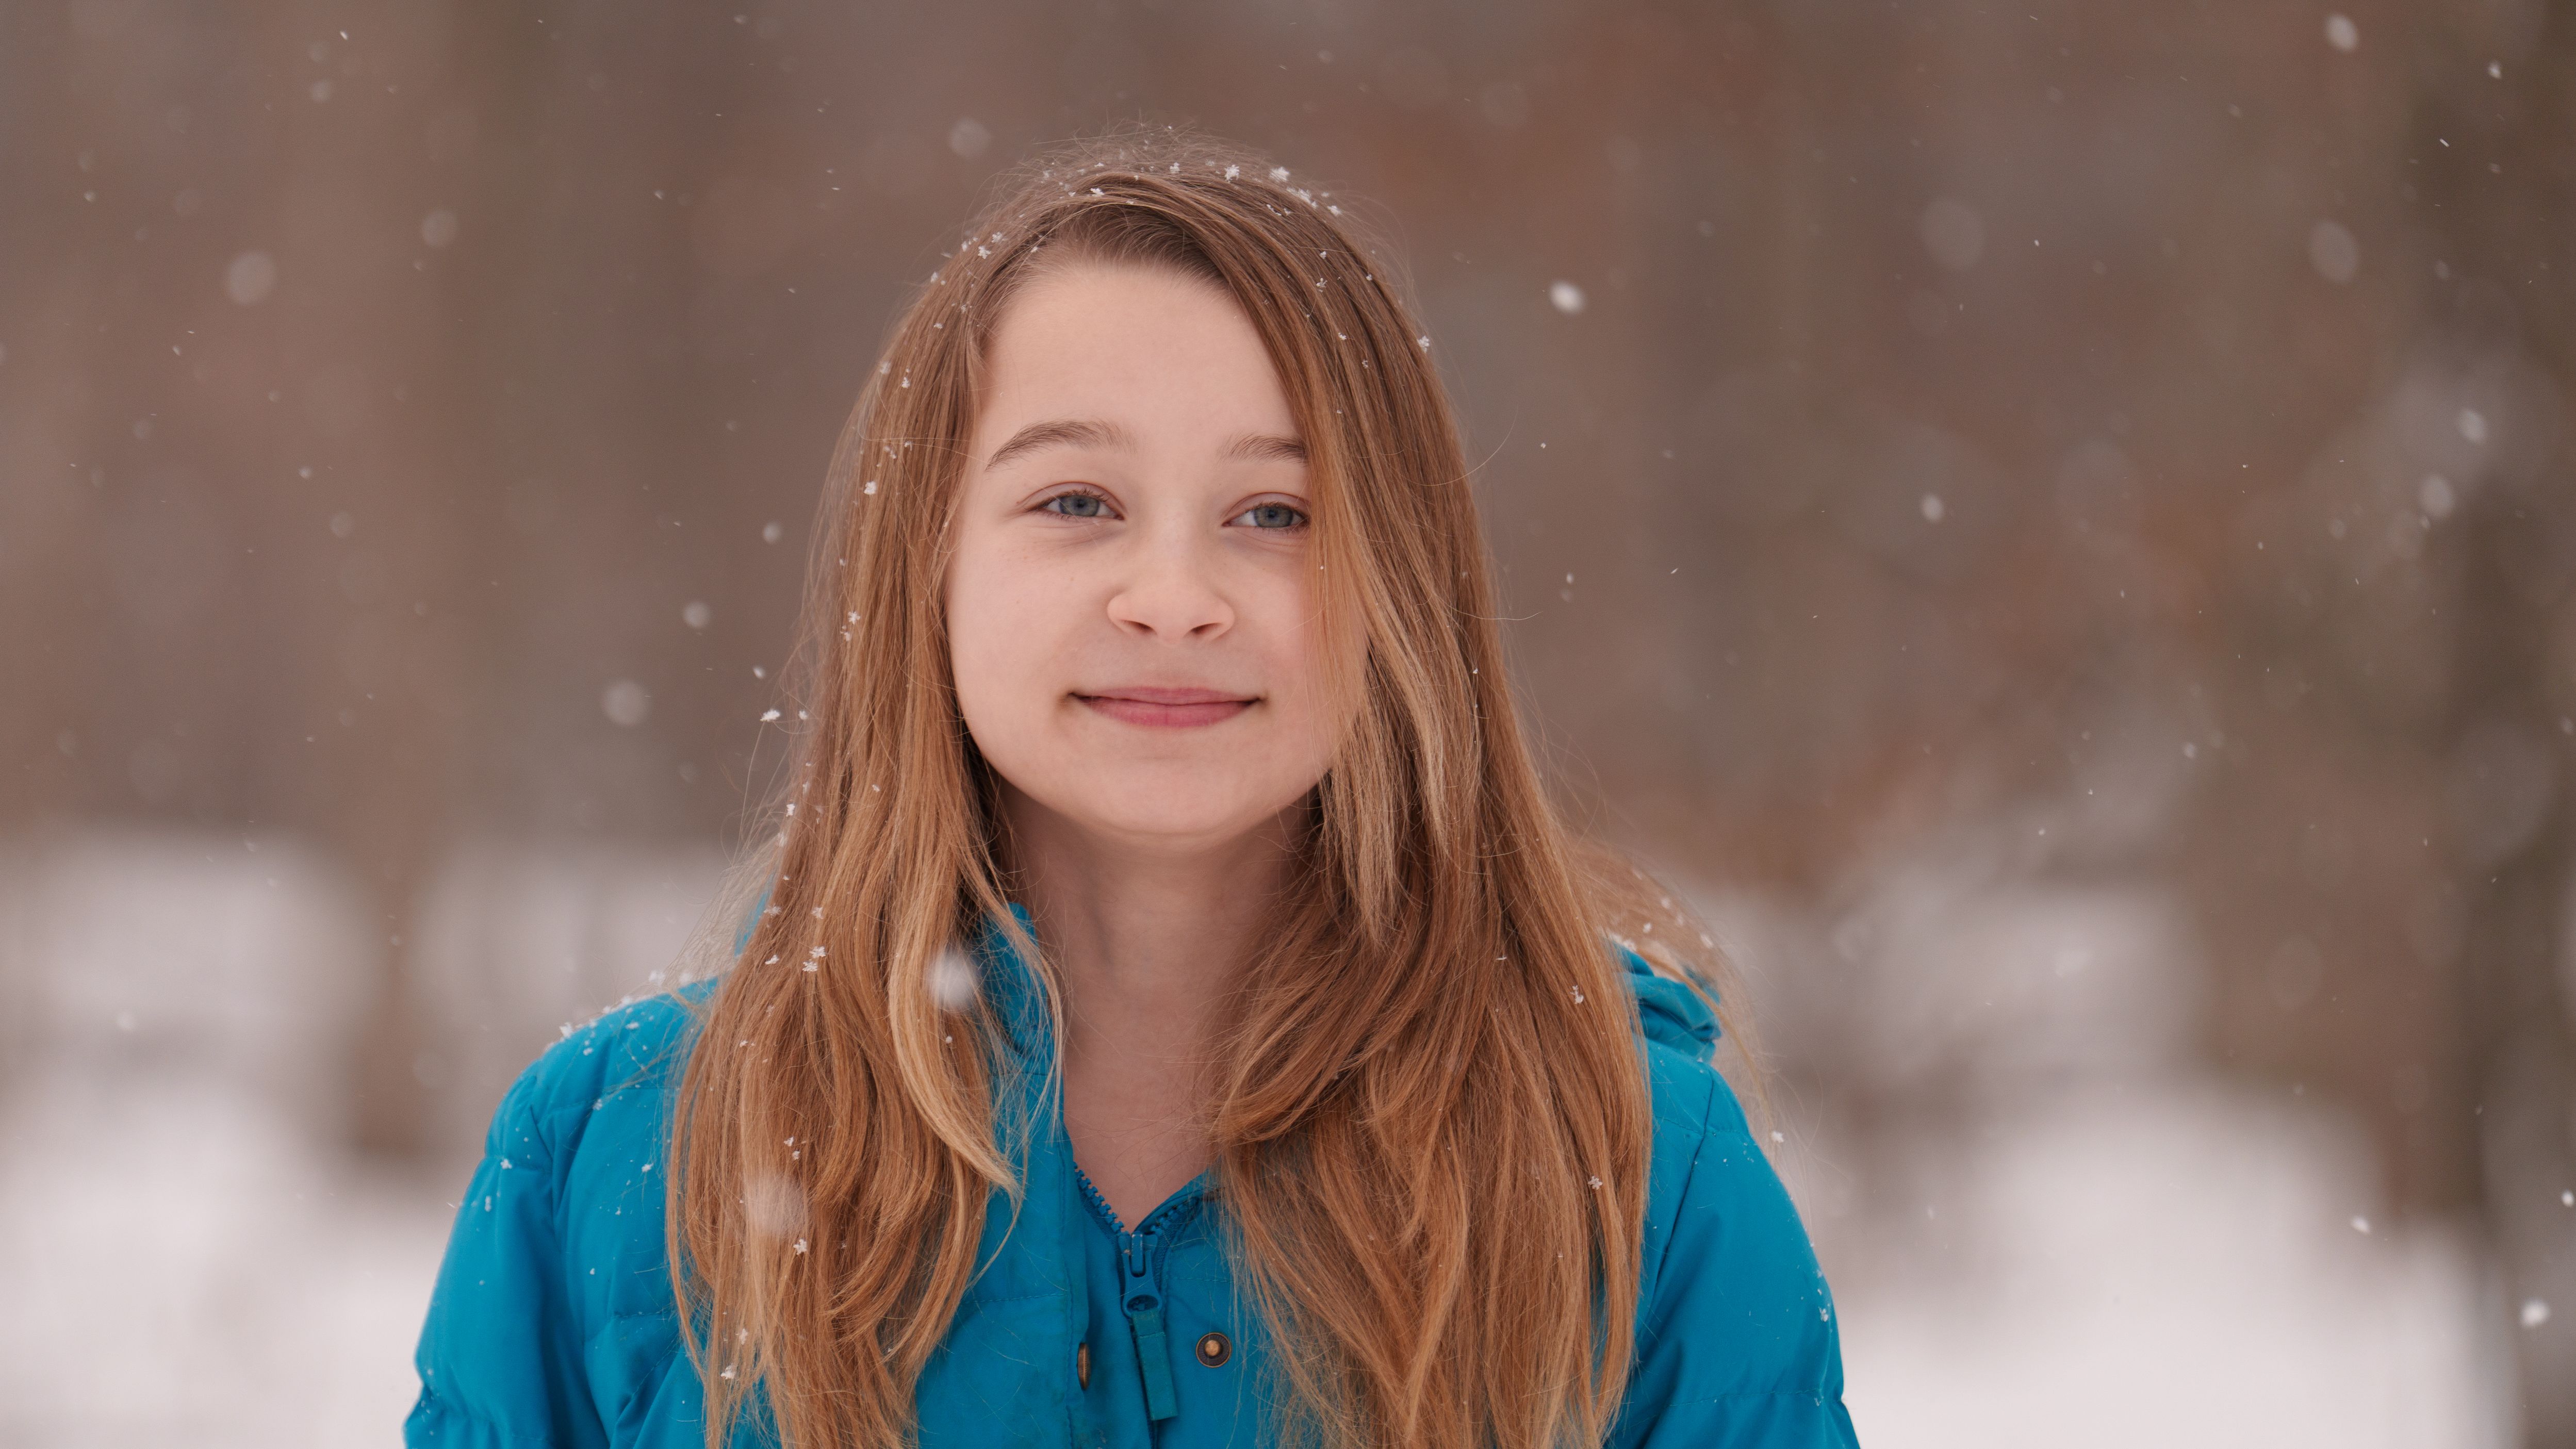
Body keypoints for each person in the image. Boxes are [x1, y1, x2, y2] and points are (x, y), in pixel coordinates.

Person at [404, 122, 1856, 1449]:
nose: (1175, 595)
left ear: (1401, 591)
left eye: (1275, 512)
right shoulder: (616, 1161)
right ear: (929, 565)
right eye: (1076, 502)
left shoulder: (1633, 1171)